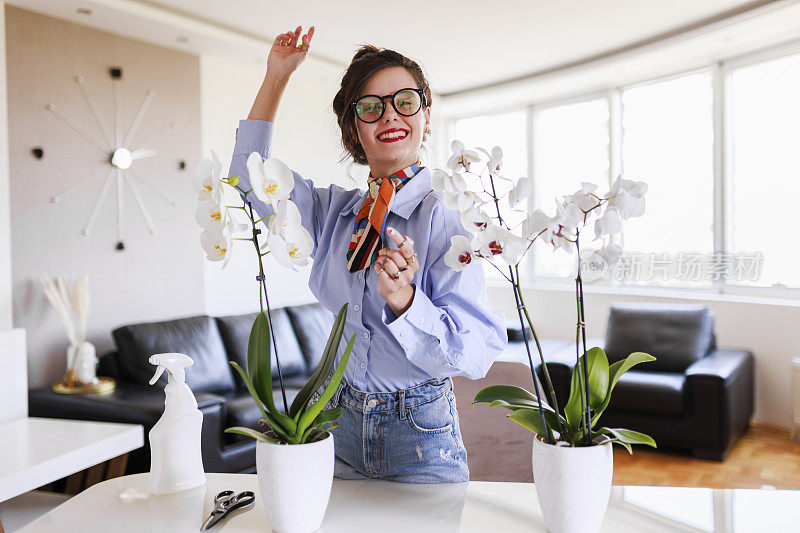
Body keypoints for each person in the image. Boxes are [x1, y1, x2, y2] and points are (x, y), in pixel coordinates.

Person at [228, 25, 507, 483]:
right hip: (335, 423)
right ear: (354, 130)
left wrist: (406, 301)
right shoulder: (332, 213)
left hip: (418, 433)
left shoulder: (450, 215)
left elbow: (470, 357)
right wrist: (276, 76)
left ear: (426, 114)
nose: (390, 116)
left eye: (406, 101)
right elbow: (248, 180)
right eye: (371, 108)